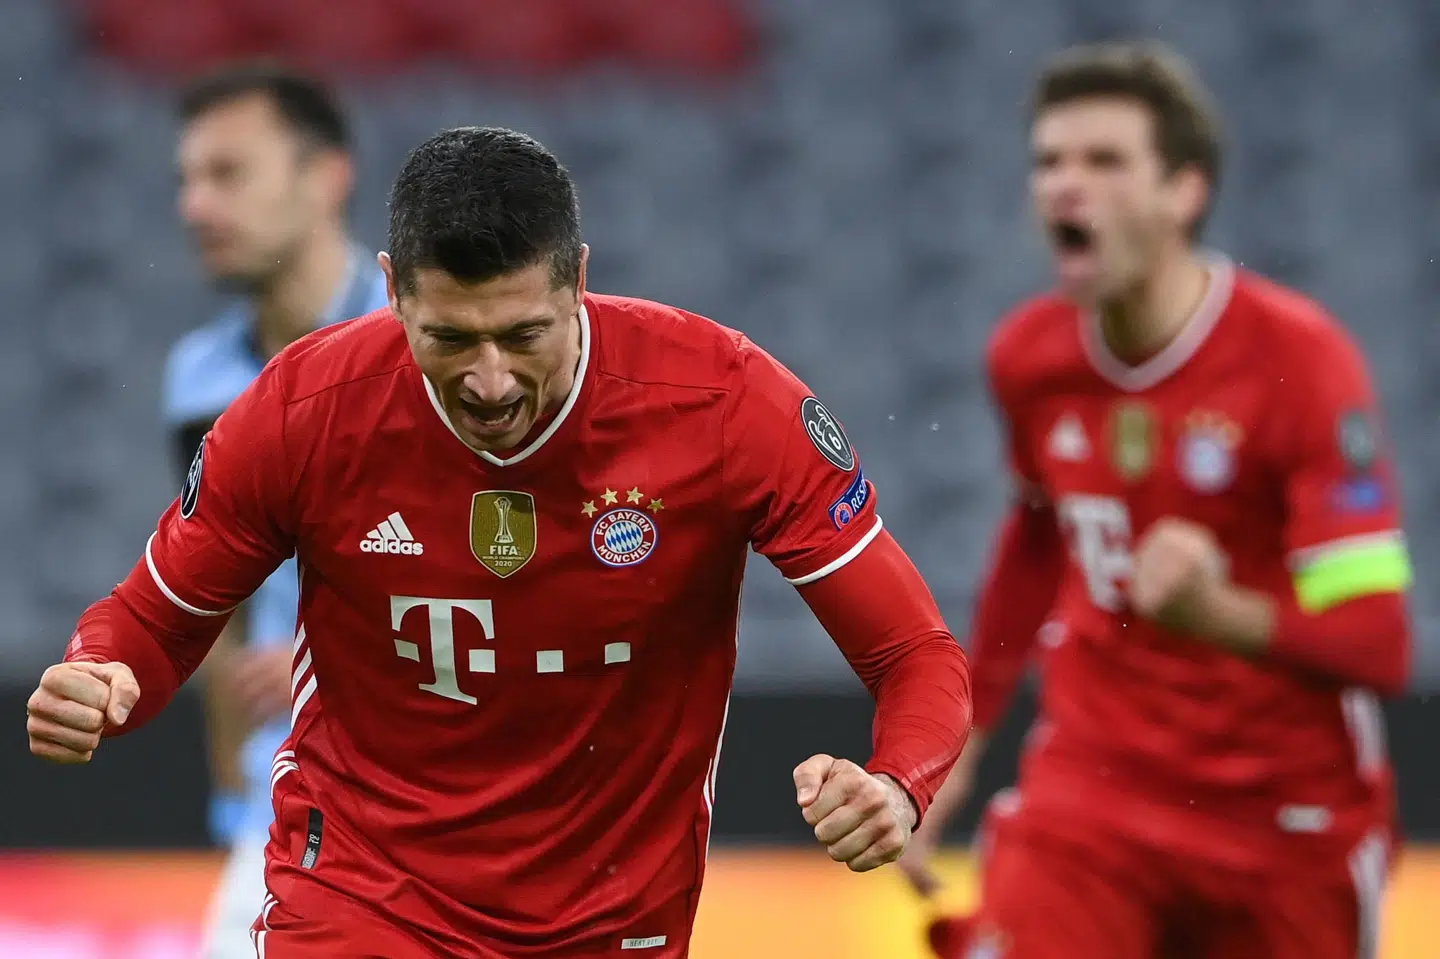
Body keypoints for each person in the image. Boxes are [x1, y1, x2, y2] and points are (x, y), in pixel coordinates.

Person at [26, 126, 973, 958]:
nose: (488, 382)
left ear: (580, 284)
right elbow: (152, 618)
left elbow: (916, 655)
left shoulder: (725, 406)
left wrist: (896, 783)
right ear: (393, 290)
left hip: (612, 919)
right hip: (363, 892)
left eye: (524, 334)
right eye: (448, 339)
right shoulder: (301, 411)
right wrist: (101, 674)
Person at [900, 40, 1412, 959]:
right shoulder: (1031, 357)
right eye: (1050, 161)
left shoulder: (1300, 360)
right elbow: (1037, 534)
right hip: (1094, 792)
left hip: (1282, 815)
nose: (1065, 185)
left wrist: (1220, 612)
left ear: (1185, 190)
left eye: (1104, 161)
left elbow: (1380, 640)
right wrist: (960, 740)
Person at [164, 63, 388, 959]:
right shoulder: (199, 378)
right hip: (276, 818)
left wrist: (328, 648)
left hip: (417, 818)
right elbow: (210, 588)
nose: (196, 206)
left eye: (228, 174)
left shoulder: (431, 348)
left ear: (327, 177)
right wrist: (232, 790)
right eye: (186, 179)